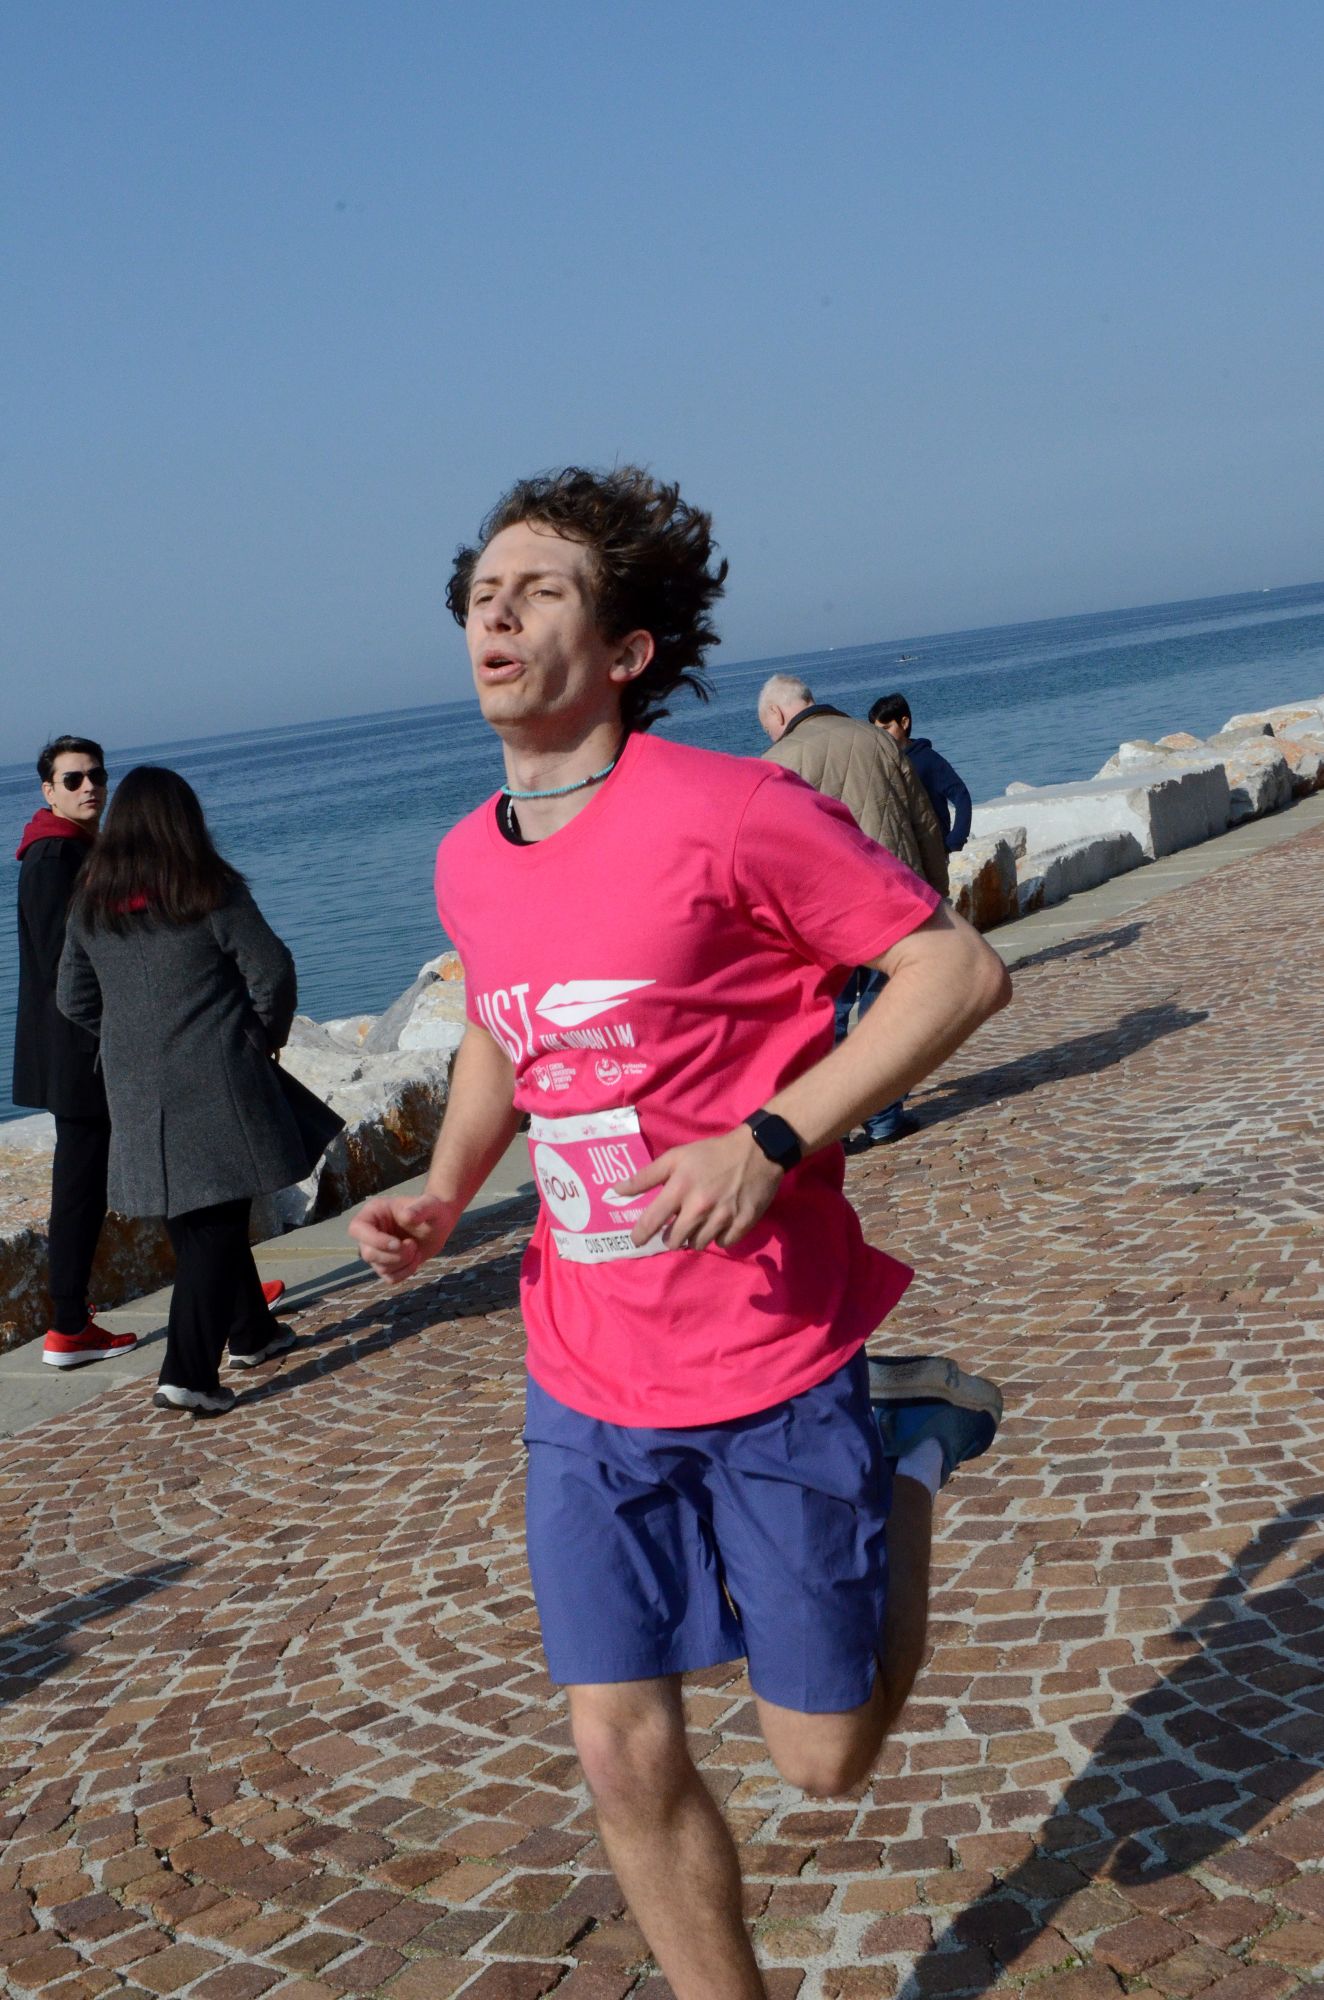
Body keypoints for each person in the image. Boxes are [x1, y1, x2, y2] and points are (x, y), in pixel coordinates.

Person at [350, 466, 1011, 2000]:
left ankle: (909, 1445)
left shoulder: (734, 811)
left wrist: (774, 1139)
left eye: (541, 591)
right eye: (482, 593)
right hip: (583, 1363)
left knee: (823, 1759)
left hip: (768, 1342)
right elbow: (504, 1028)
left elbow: (956, 973)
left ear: (627, 649)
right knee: (617, 1745)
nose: (497, 613)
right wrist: (446, 1189)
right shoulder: (465, 857)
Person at [57, 767, 341, 1417]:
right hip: (218, 1075)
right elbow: (272, 970)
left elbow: (72, 998)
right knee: (214, 1222)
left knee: (194, 1216)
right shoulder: (206, 887)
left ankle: (253, 1332)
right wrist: (262, 1034)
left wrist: (130, 1036)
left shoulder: (91, 903)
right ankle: (186, 1374)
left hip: (137, 1087)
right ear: (184, 820)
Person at [758, 676, 946, 1147]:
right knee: (887, 1012)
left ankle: (834, 1126)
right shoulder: (879, 741)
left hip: (824, 914)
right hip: (894, 899)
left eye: (767, 727)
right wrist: (936, 891)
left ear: (777, 714)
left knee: (828, 1019)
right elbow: (924, 821)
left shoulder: (776, 762)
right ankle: (884, 1119)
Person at [13, 735, 137, 1370]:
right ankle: (66, 1325)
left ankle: (233, 1298)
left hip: (86, 1046)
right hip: (81, 1049)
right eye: (73, 779)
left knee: (114, 1173)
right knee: (83, 1187)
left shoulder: (77, 848)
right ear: (48, 791)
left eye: (97, 775)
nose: (90, 786)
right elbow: (66, 962)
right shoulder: (53, 856)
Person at [869, 691, 973, 853]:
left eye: (886, 728)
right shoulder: (879, 763)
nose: (881, 735)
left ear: (904, 723)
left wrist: (955, 840)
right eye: (877, 730)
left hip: (935, 849)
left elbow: (961, 795)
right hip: (901, 851)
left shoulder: (927, 759)